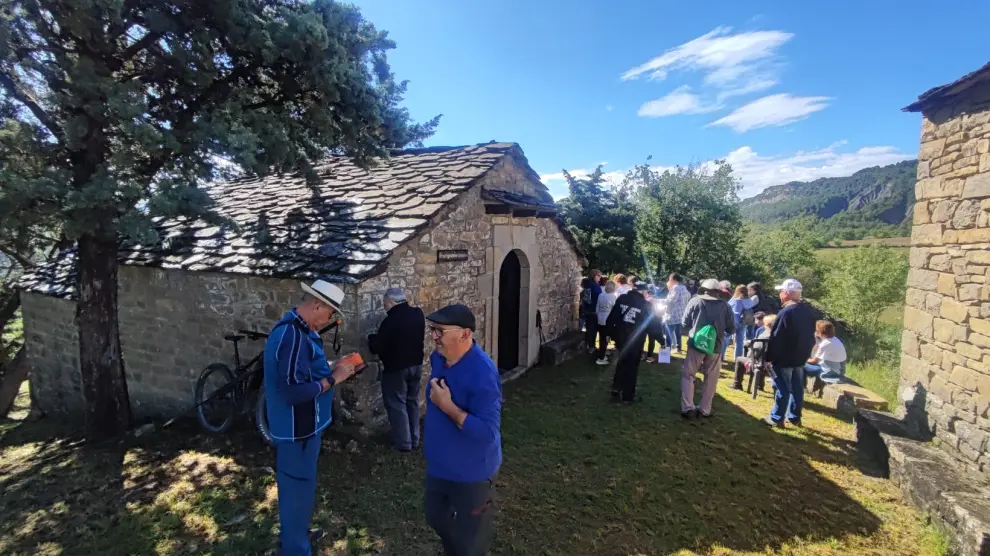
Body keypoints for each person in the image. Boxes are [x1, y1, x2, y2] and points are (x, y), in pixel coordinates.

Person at [264, 280, 359, 555]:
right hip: (297, 429)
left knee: (302, 489)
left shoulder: (302, 330)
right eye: (329, 314)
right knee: (296, 490)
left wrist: (335, 366)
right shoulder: (292, 335)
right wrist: (334, 378)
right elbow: (293, 392)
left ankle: (298, 535)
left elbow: (303, 372)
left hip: (306, 427)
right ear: (317, 305)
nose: (328, 320)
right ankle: (295, 549)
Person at [423, 304, 503, 556]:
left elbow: (487, 433)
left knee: (472, 543)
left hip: (472, 474)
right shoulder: (438, 358)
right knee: (435, 516)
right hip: (439, 467)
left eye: (439, 331)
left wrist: (448, 407)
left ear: (465, 334)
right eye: (432, 329)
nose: (433, 336)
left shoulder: (483, 374)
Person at [367, 287, 426, 452]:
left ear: (392, 302)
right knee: (412, 401)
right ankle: (414, 438)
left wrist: (371, 337)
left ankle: (404, 443)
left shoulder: (390, 320)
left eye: (385, 304)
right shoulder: (417, 314)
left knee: (396, 404)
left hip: (397, 368)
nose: (385, 307)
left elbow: (377, 347)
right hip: (416, 364)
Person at [764, 279, 817, 428]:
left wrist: (769, 358)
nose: (780, 294)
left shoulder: (786, 312)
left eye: (781, 291)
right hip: (800, 357)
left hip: (784, 357)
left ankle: (776, 417)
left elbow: (777, 337)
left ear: (787, 293)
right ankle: (794, 417)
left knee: (782, 387)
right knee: (797, 388)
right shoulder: (807, 312)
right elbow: (811, 337)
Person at [679, 278, 735, 419]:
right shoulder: (726, 306)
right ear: (718, 292)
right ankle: (705, 409)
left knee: (688, 375)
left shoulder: (695, 301)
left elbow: (684, 322)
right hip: (715, 346)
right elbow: (732, 328)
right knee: (711, 378)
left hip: (695, 344)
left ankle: (688, 407)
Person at [605, 281, 653, 404]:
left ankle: (616, 387)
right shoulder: (645, 304)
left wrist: (610, 333)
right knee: (632, 367)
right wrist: (661, 340)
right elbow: (651, 325)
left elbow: (612, 318)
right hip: (636, 340)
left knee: (621, 362)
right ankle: (628, 395)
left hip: (621, 337)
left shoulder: (622, 298)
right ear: (643, 291)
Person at [731, 313, 775, 391]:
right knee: (763, 358)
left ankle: (737, 384)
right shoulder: (778, 335)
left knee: (739, 359)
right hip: (773, 364)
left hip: (760, 363)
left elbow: (756, 350)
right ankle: (760, 386)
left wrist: (749, 351)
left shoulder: (764, 335)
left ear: (767, 324)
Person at [804, 320, 848, 385]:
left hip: (829, 372)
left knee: (801, 366)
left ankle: (802, 387)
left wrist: (804, 360)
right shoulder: (836, 340)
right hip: (839, 371)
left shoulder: (824, 344)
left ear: (820, 333)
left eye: (816, 330)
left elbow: (814, 361)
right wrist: (817, 340)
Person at [662, 273, 690, 354]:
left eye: (669, 279)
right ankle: (678, 348)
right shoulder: (684, 288)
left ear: (673, 280)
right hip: (681, 315)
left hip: (672, 315)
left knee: (668, 335)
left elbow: (671, 301)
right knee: (678, 333)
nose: (669, 281)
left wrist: (658, 300)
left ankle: (665, 356)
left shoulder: (676, 288)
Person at [728, 285, 757, 359]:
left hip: (735, 321)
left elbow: (735, 312)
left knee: (726, 338)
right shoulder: (749, 300)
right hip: (744, 322)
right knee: (740, 341)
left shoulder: (737, 300)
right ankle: (738, 358)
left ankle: (721, 357)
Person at [594, 281, 618, 365]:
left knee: (602, 337)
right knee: (605, 339)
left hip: (600, 317)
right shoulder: (613, 297)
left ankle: (602, 353)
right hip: (608, 318)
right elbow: (614, 309)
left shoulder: (601, 295)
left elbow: (597, 307)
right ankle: (601, 358)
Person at [579, 272, 603, 354]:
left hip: (593, 310)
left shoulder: (592, 285)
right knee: (591, 329)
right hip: (592, 311)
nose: (600, 277)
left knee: (593, 329)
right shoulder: (590, 285)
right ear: (594, 276)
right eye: (598, 275)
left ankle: (592, 345)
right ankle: (591, 346)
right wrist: (589, 308)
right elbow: (587, 298)